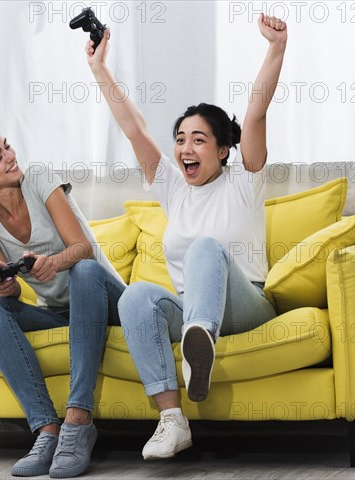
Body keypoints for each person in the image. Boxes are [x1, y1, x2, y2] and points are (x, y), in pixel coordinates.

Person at [85, 13, 287, 460]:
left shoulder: (243, 181)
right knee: (136, 296)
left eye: (199, 140)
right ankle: (172, 421)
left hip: (243, 304)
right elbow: (134, 127)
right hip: (190, 307)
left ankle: (201, 333)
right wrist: (100, 70)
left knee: (206, 247)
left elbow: (255, 111)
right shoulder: (174, 188)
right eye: (180, 139)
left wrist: (275, 49)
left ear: (222, 150)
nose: (185, 149)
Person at [0, 123, 126, 478]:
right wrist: (6, 287)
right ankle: (46, 430)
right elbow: (9, 287)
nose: (11, 157)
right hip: (61, 313)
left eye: (7, 147)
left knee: (84, 271)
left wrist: (53, 263)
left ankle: (78, 420)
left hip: (109, 303)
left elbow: (82, 249)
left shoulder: (40, 180)